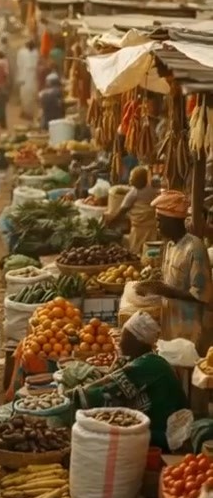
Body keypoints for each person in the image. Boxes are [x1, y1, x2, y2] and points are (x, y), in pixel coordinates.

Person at [70, 311, 189, 450]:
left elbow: (108, 390)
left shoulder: (147, 365)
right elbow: (112, 377)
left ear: (137, 342)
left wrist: (74, 395)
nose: (120, 343)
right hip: (161, 425)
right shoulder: (146, 358)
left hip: (165, 433)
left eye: (124, 338)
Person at [144, 189, 213, 355]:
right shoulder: (170, 246)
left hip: (191, 330)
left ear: (173, 221)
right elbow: (170, 282)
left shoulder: (194, 248)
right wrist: (153, 286)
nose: (157, 225)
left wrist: (164, 290)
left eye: (160, 221)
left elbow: (202, 294)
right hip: (171, 327)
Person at [104, 165, 158, 258]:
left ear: (140, 180)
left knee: (136, 249)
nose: (130, 179)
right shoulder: (152, 190)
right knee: (151, 248)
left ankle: (138, 262)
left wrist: (111, 220)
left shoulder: (133, 193)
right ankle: (151, 261)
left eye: (132, 177)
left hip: (139, 227)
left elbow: (123, 210)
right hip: (151, 226)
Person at [16, 39, 39, 120]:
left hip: (31, 77)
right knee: (24, 95)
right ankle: (25, 112)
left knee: (30, 95)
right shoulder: (23, 52)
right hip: (25, 76)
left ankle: (29, 114)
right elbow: (19, 64)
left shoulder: (35, 53)